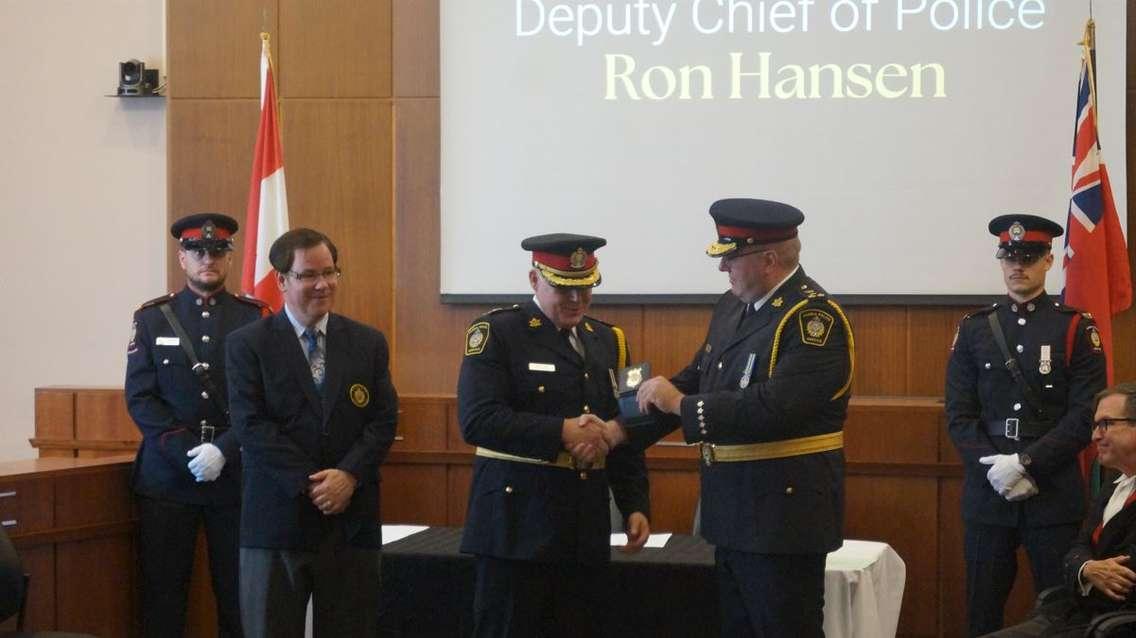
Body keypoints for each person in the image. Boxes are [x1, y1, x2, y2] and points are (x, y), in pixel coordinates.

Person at [624, 198, 854, 637]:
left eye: (731, 257)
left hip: (783, 520)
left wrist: (678, 404)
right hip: (731, 513)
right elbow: (698, 377)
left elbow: (773, 407)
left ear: (769, 260)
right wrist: (621, 430)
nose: (723, 268)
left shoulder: (812, 319)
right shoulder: (732, 307)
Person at [458, 233, 651, 637]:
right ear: (534, 280)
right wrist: (560, 431)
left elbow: (626, 424)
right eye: (563, 288)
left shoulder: (610, 341)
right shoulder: (497, 333)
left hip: (584, 526)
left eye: (585, 287)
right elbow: (477, 420)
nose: (576, 299)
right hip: (515, 527)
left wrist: (635, 503)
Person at [225, 228, 398, 638]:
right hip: (276, 522)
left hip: (350, 523)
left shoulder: (367, 342)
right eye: (308, 275)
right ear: (282, 281)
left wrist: (348, 476)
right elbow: (251, 426)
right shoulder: (248, 344)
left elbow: (383, 420)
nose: (323, 284)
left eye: (330, 272)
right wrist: (313, 484)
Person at [946, 214, 1107, 636]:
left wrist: (1027, 463)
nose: (1019, 266)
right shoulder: (973, 330)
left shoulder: (1075, 327)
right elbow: (959, 415)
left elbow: (1085, 414)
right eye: (1010, 257)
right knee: (982, 608)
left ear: (1049, 262)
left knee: (1058, 609)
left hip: (1052, 491)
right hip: (988, 492)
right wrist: (995, 467)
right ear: (1001, 261)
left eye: (1030, 257)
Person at [125, 212, 268, 638]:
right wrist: (187, 452)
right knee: (164, 599)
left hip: (234, 476)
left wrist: (223, 449)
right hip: (168, 479)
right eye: (196, 250)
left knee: (239, 599)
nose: (207, 258)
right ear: (181, 258)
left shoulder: (254, 317)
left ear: (229, 257)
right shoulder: (152, 318)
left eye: (217, 251)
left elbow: (263, 398)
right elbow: (141, 397)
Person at [983, 382, 1136, 637]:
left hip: (1115, 624)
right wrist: (1086, 568)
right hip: (1078, 615)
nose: (1095, 435)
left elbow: (1125, 575)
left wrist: (1085, 567)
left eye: (1106, 424)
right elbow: (1077, 549)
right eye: (1095, 425)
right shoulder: (1113, 485)